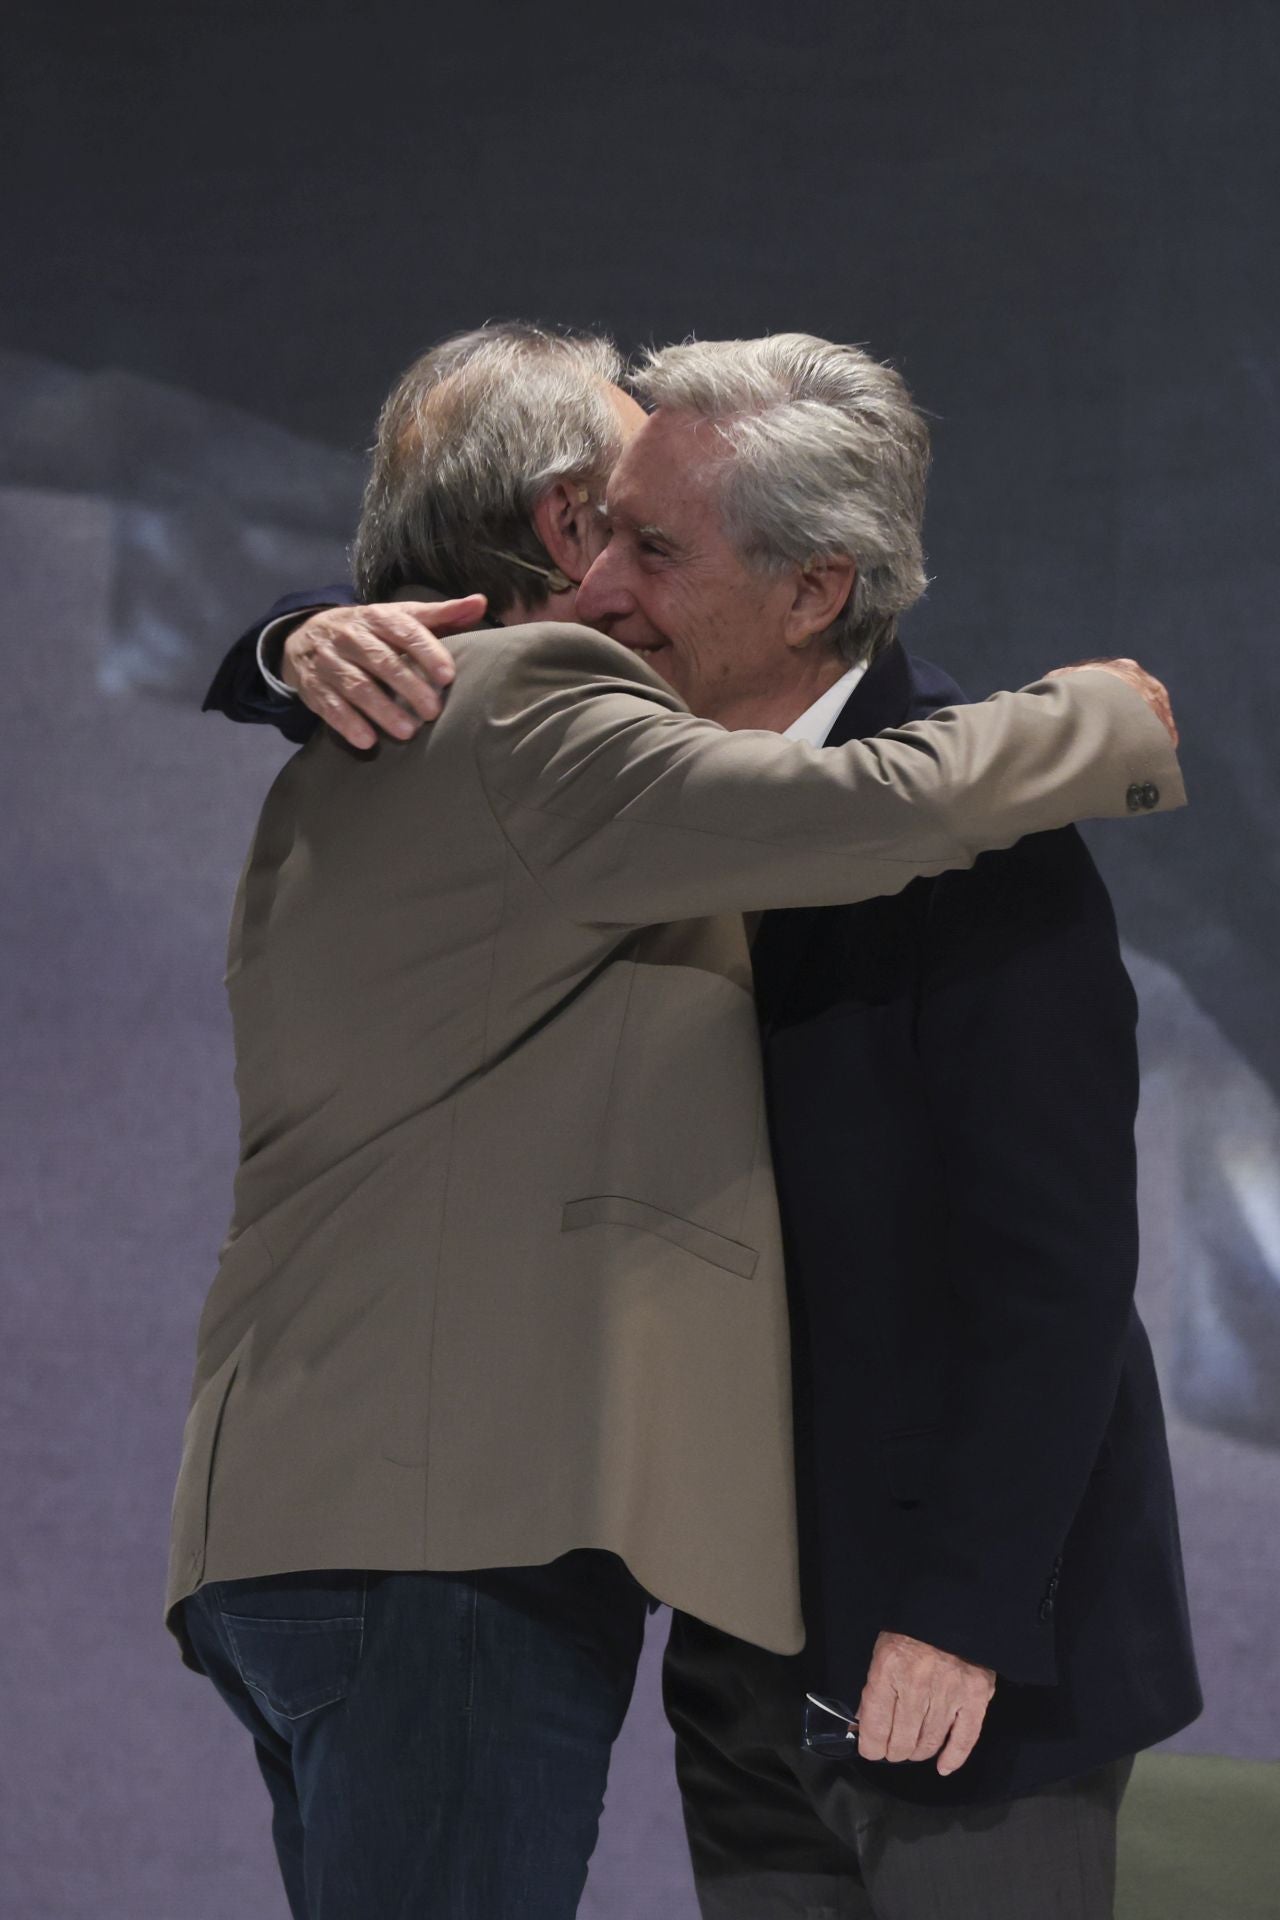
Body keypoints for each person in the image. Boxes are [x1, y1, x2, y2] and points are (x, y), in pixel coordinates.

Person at [181, 322, 1182, 1920]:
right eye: (605, 530)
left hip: (938, 1664)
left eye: (658, 540)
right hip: (623, 1618)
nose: (604, 591)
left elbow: (1053, 1270)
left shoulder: (962, 850)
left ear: (813, 589)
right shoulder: (575, 758)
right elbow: (873, 809)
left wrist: (968, 1609)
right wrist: (1108, 717)